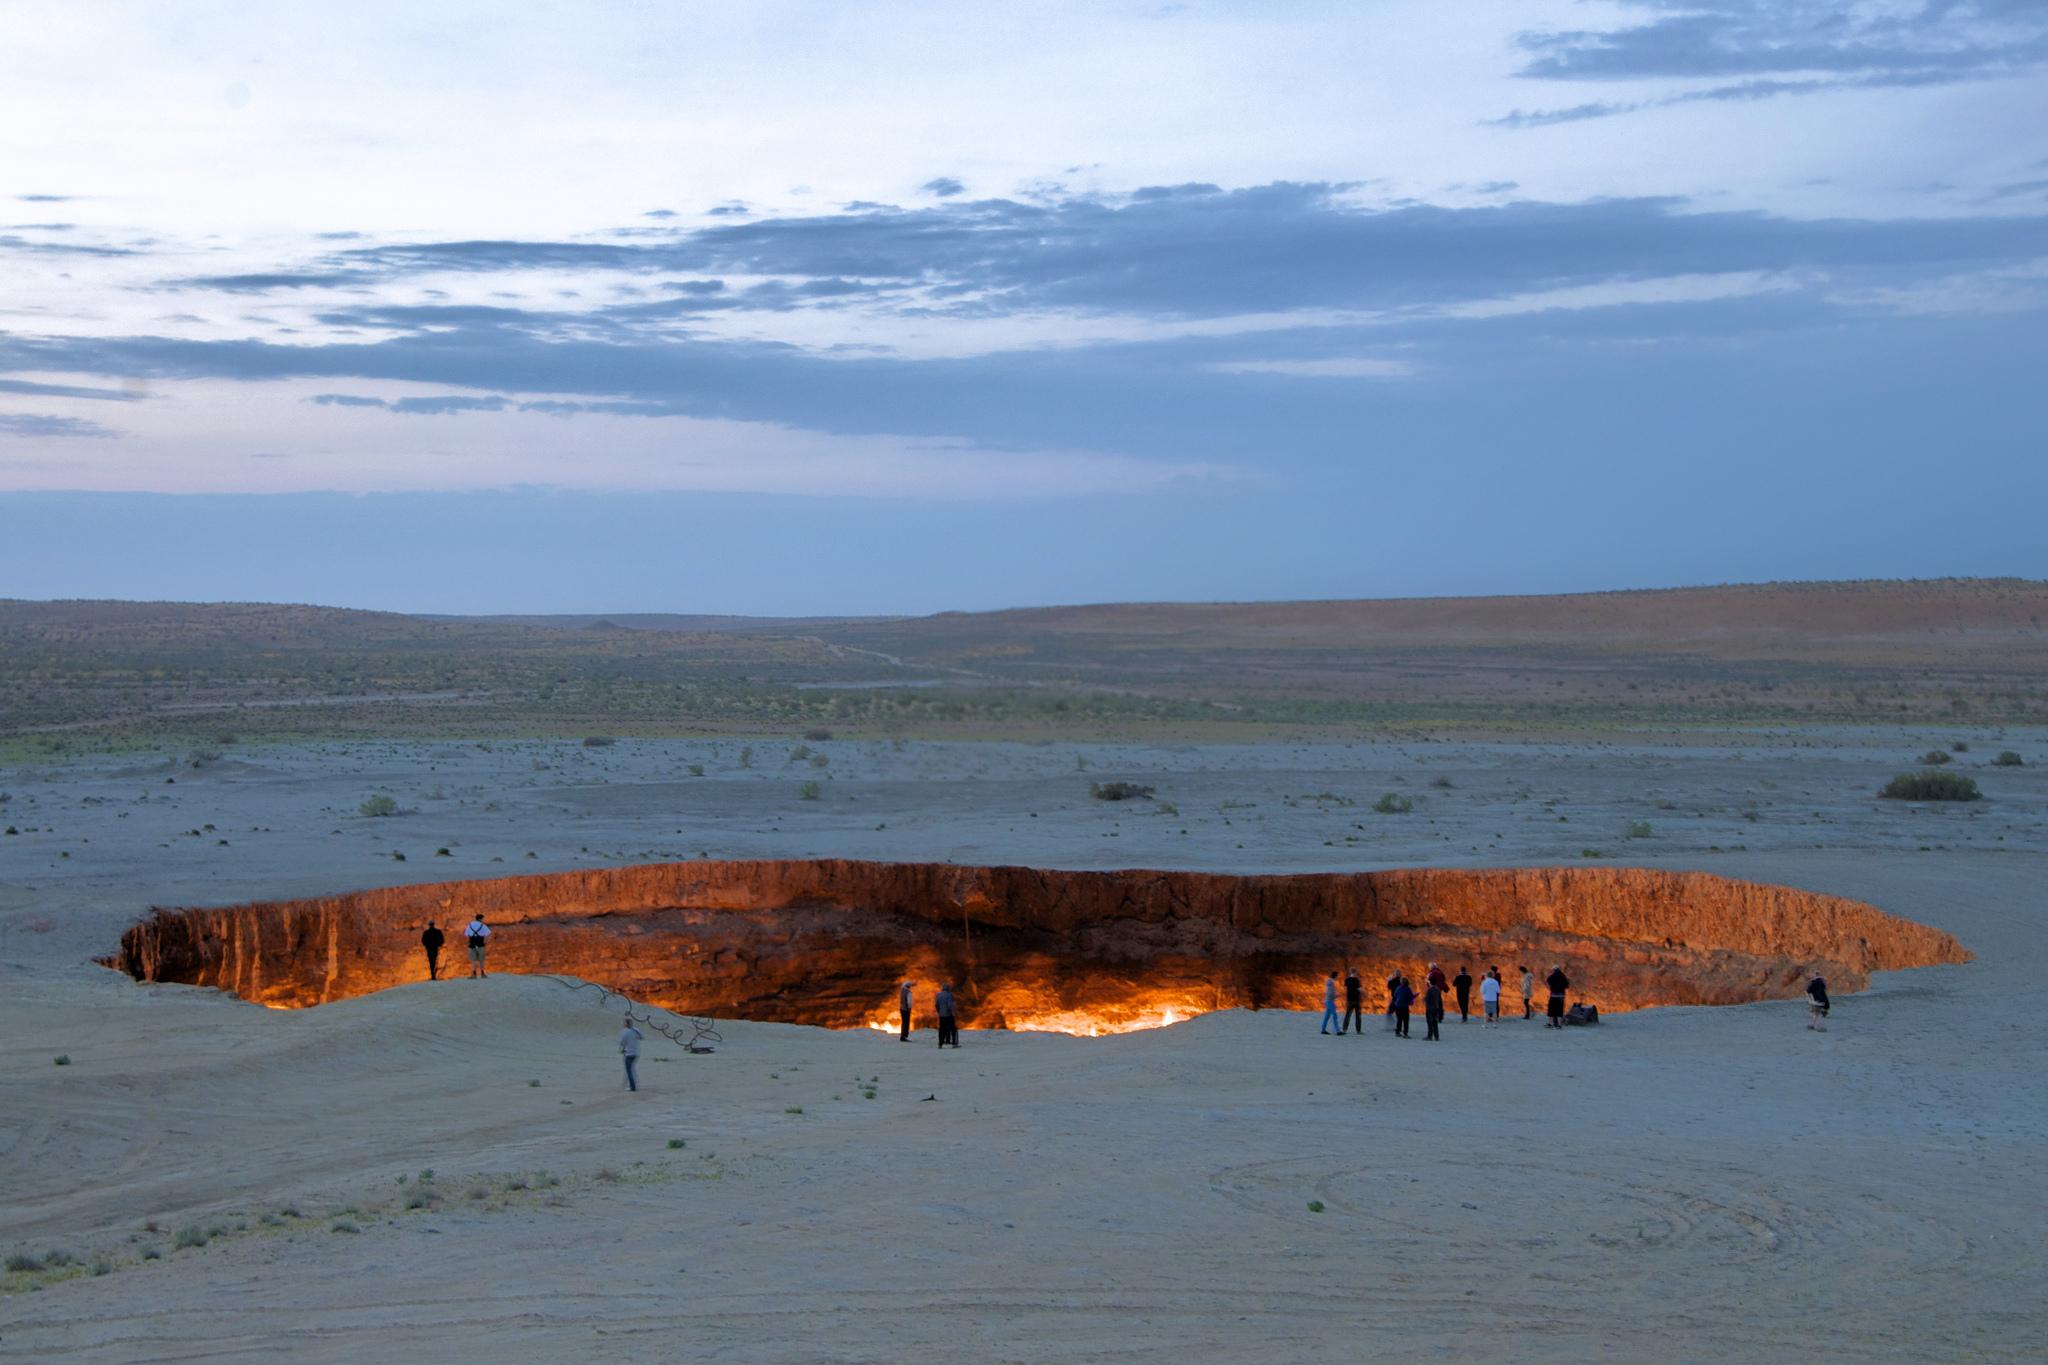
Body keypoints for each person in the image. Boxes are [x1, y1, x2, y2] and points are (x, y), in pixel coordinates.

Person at [619, 1014, 643, 1091]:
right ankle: (634, 1083)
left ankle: (632, 1087)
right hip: (636, 1053)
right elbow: (641, 1037)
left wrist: (622, 1049)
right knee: (632, 1069)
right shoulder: (636, 1030)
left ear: (626, 1023)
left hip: (629, 1053)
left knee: (629, 1070)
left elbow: (622, 1043)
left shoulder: (625, 1032)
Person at [465, 913, 492, 979]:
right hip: (480, 944)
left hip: (472, 944)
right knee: (481, 960)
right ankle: (482, 974)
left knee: (473, 960)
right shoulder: (483, 925)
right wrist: (486, 942)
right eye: (483, 919)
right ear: (480, 919)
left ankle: (474, 974)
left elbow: (466, 934)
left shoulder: (470, 925)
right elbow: (488, 934)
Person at [1390, 973, 1415, 1038]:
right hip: (1404, 1006)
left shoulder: (1398, 988)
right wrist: (1413, 998)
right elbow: (1410, 997)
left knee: (1399, 1020)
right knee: (1406, 1020)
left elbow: (1395, 995)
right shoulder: (1408, 989)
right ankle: (1405, 1034)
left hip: (1397, 1006)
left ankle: (1397, 1032)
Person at [1545, 964, 1570, 1028]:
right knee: (1560, 1010)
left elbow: (1547, 981)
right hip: (1561, 996)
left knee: (1551, 1009)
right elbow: (1567, 985)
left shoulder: (1552, 976)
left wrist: (1550, 988)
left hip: (1553, 995)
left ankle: (1550, 1023)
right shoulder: (1563, 976)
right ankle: (1559, 1025)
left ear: (1554, 970)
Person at [935, 982, 959, 1048]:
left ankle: (940, 1043)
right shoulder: (949, 995)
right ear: (948, 988)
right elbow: (949, 1005)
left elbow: (936, 1005)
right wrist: (952, 1013)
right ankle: (954, 1043)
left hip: (941, 1015)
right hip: (948, 1015)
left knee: (941, 1029)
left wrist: (939, 1012)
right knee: (952, 1028)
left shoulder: (938, 995)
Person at [1341, 968, 1364, 1035]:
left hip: (1349, 1000)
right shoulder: (1357, 980)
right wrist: (1363, 992)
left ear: (1350, 972)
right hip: (1356, 1000)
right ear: (1355, 972)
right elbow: (1359, 989)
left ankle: (1344, 1029)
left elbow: (1344, 989)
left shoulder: (1347, 980)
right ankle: (1358, 1031)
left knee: (1347, 1015)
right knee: (1358, 1016)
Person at [1423, 977, 1445, 1041]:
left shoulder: (1429, 990)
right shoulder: (1438, 989)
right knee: (1435, 1023)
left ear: (1430, 982)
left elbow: (1427, 999)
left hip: (1430, 1008)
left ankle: (1429, 1036)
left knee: (1430, 1022)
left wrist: (1424, 999)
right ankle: (1436, 1036)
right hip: (1436, 1008)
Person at [1321, 971, 1340, 1035]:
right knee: (1334, 1015)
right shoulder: (1331, 983)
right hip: (1330, 1001)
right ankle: (1337, 1031)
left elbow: (1328, 993)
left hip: (1328, 1000)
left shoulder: (1329, 982)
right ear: (1335, 976)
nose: (1338, 977)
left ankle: (1323, 1030)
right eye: (1337, 976)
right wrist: (1336, 996)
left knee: (1327, 1016)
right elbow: (1330, 994)